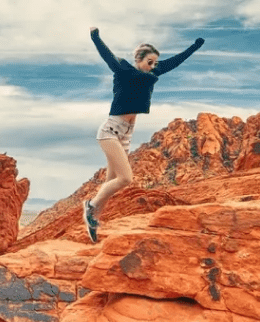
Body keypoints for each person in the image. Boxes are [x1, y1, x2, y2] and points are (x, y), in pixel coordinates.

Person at [82, 26, 205, 242]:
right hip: (110, 130)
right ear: (139, 59)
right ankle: (90, 207)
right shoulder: (123, 70)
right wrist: (95, 37)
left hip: (126, 133)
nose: (153, 66)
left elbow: (175, 61)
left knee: (112, 180)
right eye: (149, 62)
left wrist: (194, 47)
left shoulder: (154, 72)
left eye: (155, 63)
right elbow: (107, 56)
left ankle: (94, 218)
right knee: (125, 178)